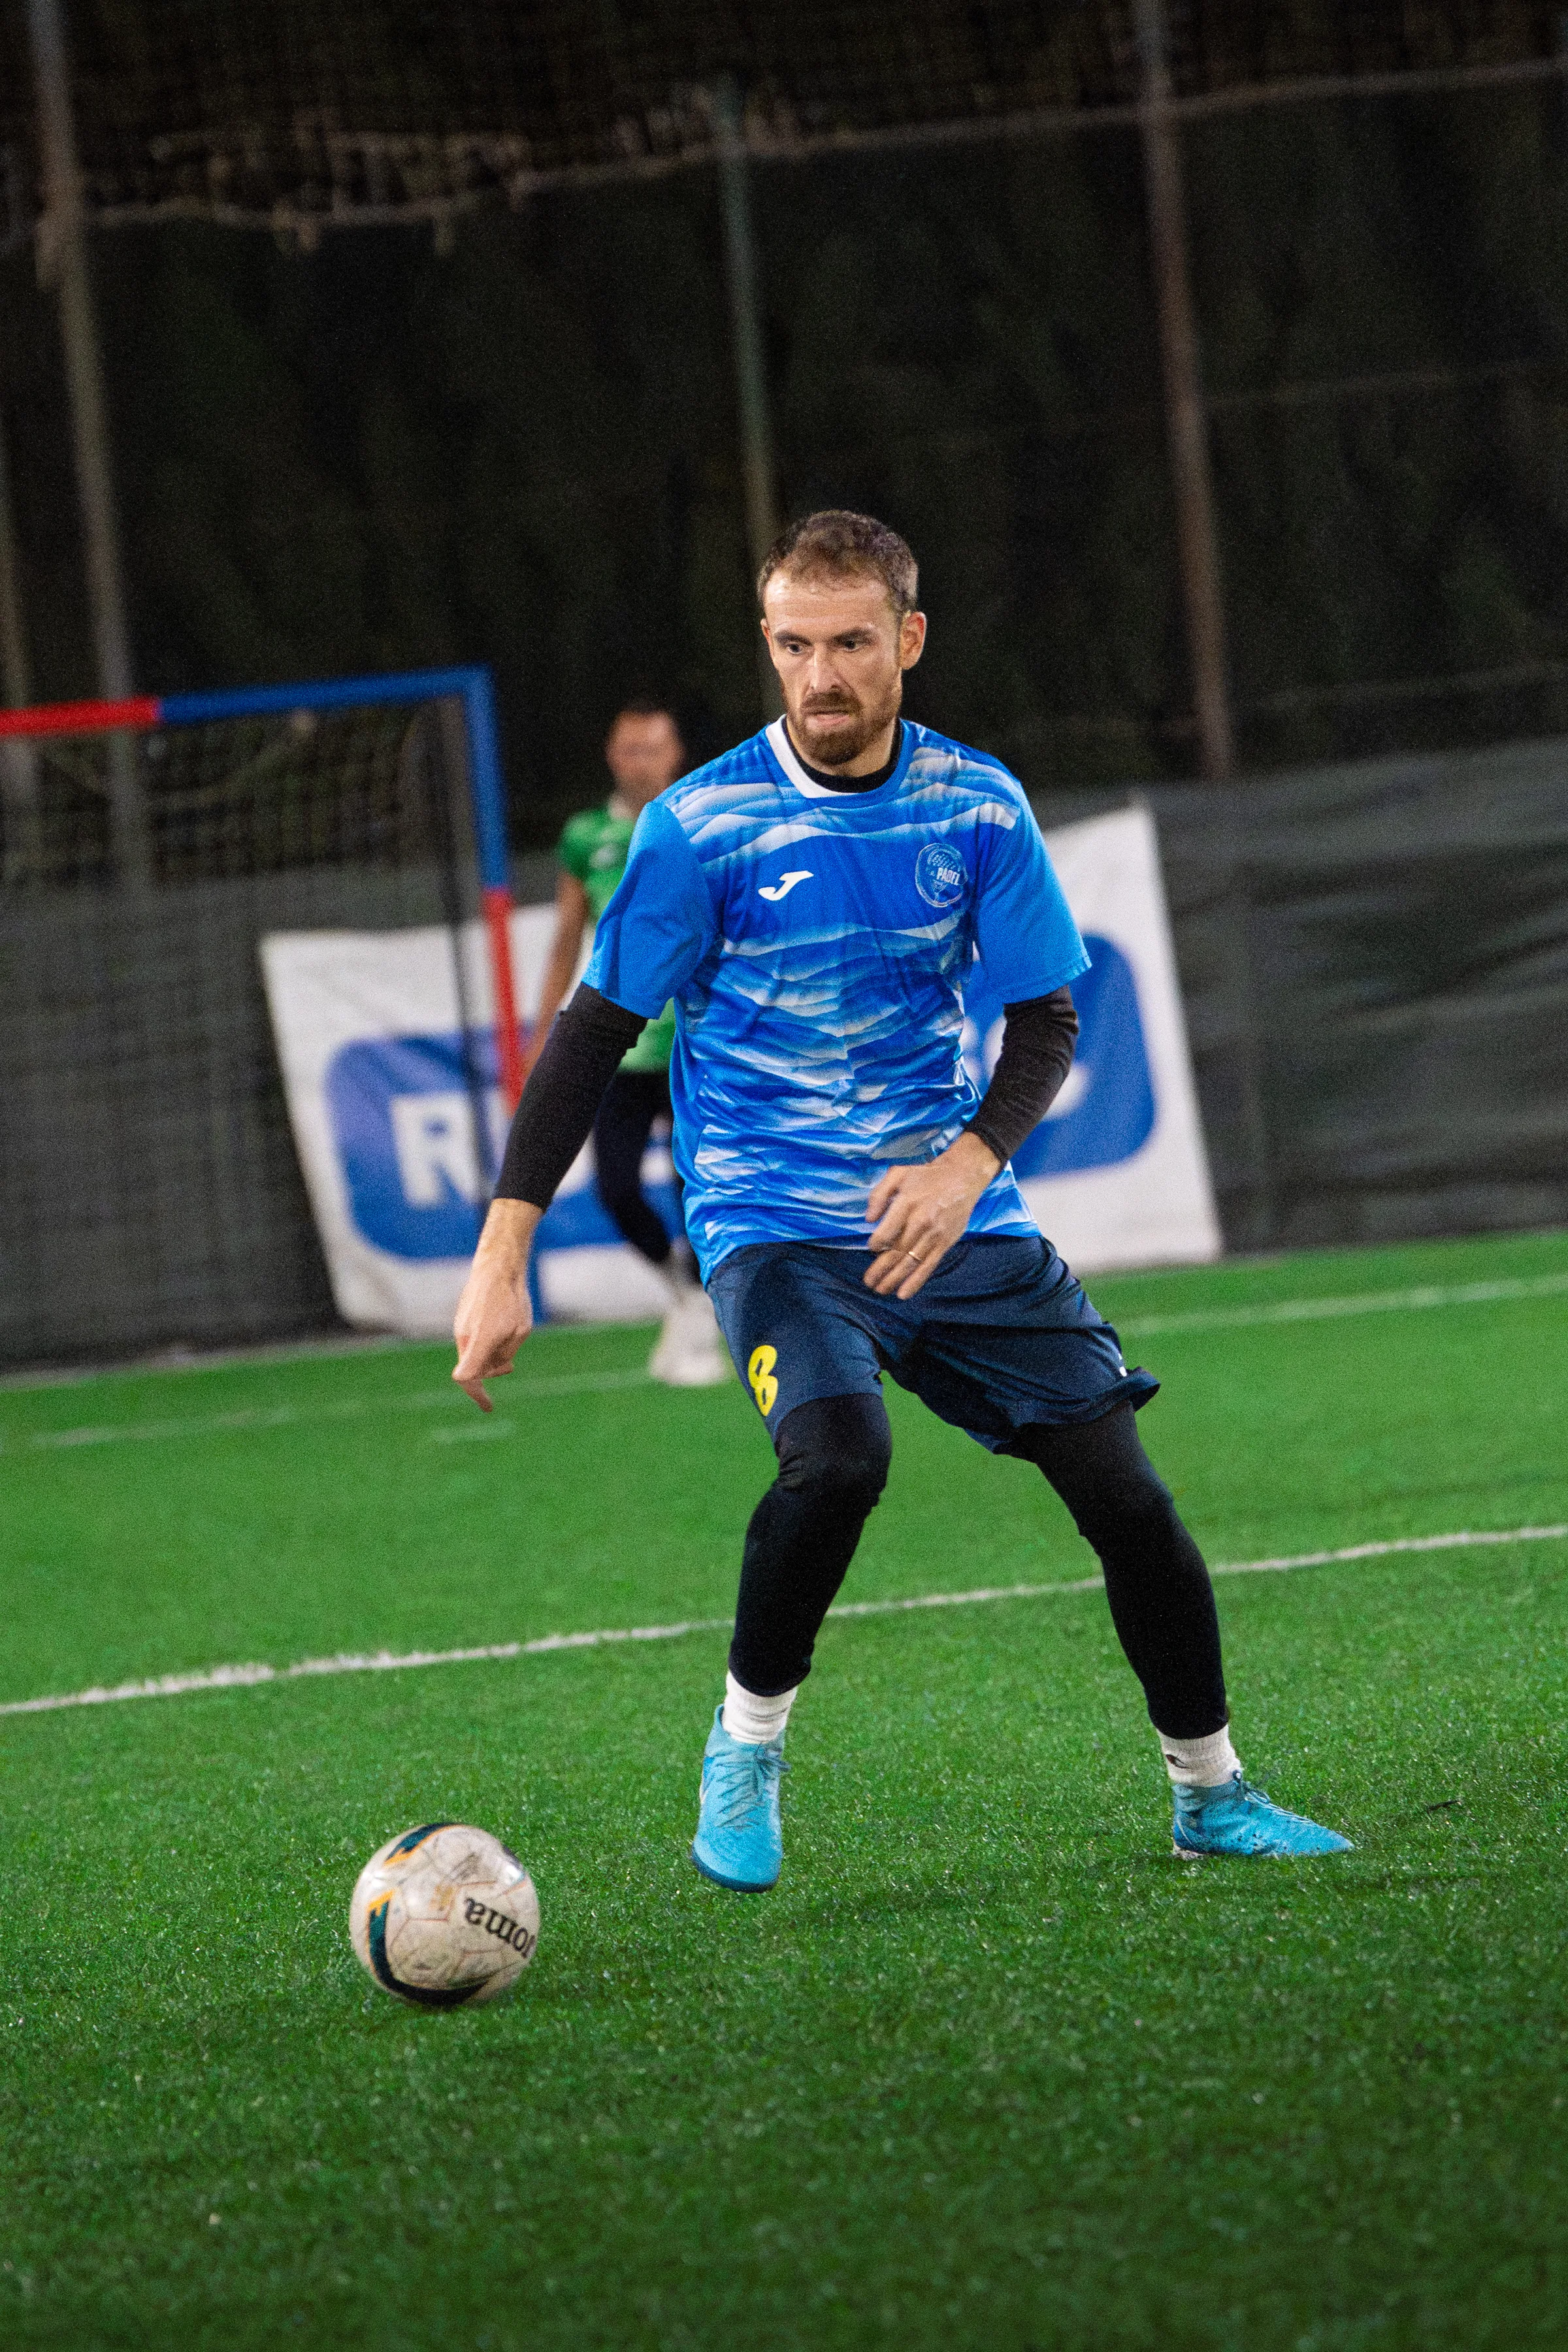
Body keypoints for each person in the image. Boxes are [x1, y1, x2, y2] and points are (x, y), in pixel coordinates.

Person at [455, 510, 1351, 1889]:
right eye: (797, 645)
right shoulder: (699, 828)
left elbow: (1045, 1019)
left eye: (853, 643)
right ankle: (746, 1746)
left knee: (1128, 1499)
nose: (822, 675)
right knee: (840, 1459)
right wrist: (501, 1254)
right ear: (769, 647)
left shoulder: (977, 804)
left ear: (908, 643)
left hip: (956, 1220)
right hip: (774, 1226)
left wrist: (968, 1166)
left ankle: (1212, 1793)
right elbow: (586, 1038)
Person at [528, 698, 727, 1386]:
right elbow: (565, 941)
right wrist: (541, 1032)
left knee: (698, 1187)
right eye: (627, 748)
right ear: (612, 756)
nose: (638, 760)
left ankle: (703, 1317)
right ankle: (687, 1295)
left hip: (697, 1042)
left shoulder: (705, 817)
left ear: (676, 755)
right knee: (614, 1186)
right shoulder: (587, 837)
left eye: (652, 748)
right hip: (622, 1044)